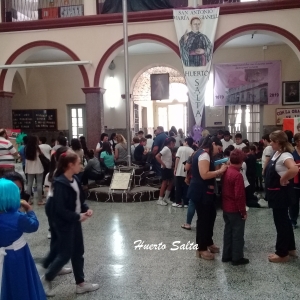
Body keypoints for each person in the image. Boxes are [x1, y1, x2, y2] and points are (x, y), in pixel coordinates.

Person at [42, 151, 99, 296]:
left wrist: (86, 209)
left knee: (78, 251)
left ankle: (80, 283)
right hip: (64, 223)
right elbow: (60, 209)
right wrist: (77, 216)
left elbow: (79, 199)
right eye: (79, 163)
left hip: (74, 221)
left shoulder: (74, 179)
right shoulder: (60, 183)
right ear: (70, 165)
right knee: (65, 254)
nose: (81, 165)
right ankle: (45, 279)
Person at [0, 178, 46, 299]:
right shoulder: (17, 217)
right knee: (20, 284)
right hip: (17, 255)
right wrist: (29, 210)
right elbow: (33, 226)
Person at [187, 136, 228, 260]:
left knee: (211, 216)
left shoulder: (204, 155)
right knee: (204, 220)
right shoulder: (204, 155)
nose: (219, 151)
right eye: (218, 148)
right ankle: (202, 248)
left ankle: (208, 241)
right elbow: (204, 175)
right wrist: (220, 171)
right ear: (213, 144)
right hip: (201, 191)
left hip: (206, 192)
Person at [265, 130, 298, 263]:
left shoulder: (285, 155)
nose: (270, 143)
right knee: (285, 221)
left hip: (281, 195)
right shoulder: (276, 153)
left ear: (278, 142)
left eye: (272, 141)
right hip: (275, 194)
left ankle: (282, 253)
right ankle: (290, 248)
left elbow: (294, 169)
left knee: (281, 223)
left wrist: (283, 178)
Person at [222, 149, 249, 266]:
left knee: (228, 232)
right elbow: (239, 196)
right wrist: (243, 212)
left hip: (226, 207)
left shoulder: (226, 171)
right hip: (235, 209)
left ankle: (226, 255)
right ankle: (237, 258)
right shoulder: (237, 175)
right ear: (241, 161)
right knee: (238, 234)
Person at [173, 137, 194, 208]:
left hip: (179, 170)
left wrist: (175, 168)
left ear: (186, 142)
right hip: (187, 171)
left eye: (185, 141)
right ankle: (186, 203)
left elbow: (177, 159)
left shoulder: (180, 148)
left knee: (178, 187)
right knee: (186, 187)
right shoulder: (192, 150)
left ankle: (178, 202)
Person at [155, 137, 176, 205]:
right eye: (174, 143)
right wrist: (163, 164)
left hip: (169, 168)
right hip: (165, 168)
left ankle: (166, 197)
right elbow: (157, 156)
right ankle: (160, 199)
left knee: (171, 182)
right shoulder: (166, 148)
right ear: (171, 143)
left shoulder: (169, 149)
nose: (174, 145)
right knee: (164, 183)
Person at [25, 135, 45, 205]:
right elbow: (41, 154)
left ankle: (29, 201)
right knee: (39, 184)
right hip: (38, 166)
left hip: (29, 167)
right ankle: (40, 200)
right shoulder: (37, 148)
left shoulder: (26, 148)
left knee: (29, 184)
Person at [289, 133, 300, 228]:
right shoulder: (292, 153)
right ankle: (293, 220)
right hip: (295, 180)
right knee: (294, 202)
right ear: (296, 142)